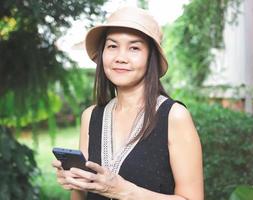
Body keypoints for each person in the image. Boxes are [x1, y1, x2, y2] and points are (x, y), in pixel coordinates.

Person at [52, 6, 204, 200]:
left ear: (151, 58)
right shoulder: (90, 116)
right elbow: (79, 197)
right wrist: (76, 182)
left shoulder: (174, 116)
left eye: (134, 48)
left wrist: (123, 191)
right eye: (112, 46)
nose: (120, 58)